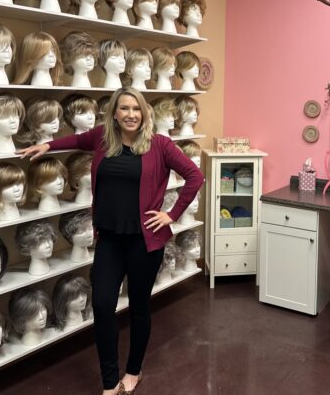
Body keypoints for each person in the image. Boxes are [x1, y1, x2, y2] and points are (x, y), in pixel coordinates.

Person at [18, 87, 203, 395]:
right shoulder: (103, 139)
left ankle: (133, 370)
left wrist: (171, 214)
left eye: (136, 108)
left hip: (144, 242)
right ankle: (109, 381)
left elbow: (195, 176)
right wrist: (47, 145)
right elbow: (76, 140)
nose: (131, 114)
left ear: (144, 113)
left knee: (139, 306)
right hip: (109, 240)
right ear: (115, 114)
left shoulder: (160, 145)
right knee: (103, 305)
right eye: (125, 108)